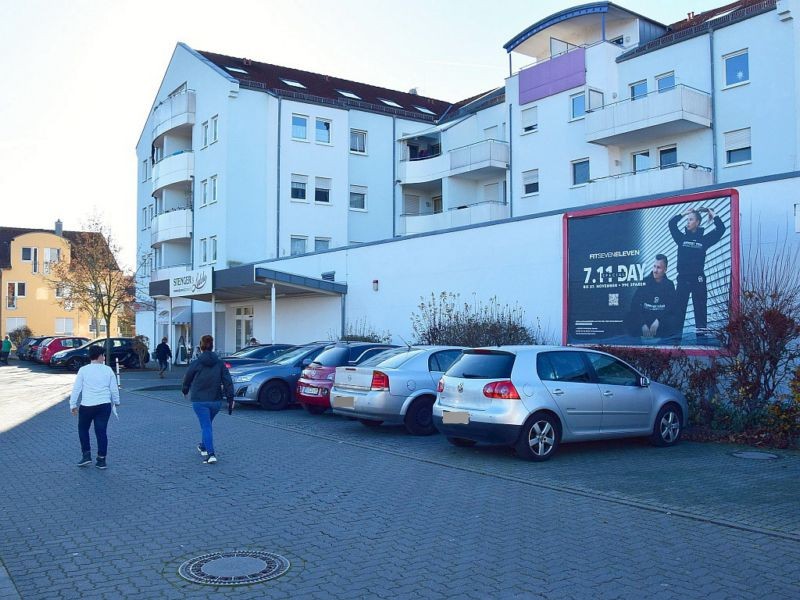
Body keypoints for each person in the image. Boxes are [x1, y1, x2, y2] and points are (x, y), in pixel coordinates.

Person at [668, 207, 726, 342]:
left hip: (698, 279)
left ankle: (701, 339)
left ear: (698, 222)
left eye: (691, 219)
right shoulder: (681, 238)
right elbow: (671, 224)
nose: (688, 222)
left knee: (700, 310)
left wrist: (712, 213)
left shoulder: (704, 240)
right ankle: (676, 341)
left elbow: (721, 229)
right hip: (683, 279)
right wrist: (685, 213)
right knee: (679, 311)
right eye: (687, 220)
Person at [181, 334, 234, 464]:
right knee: (207, 425)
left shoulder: (196, 363)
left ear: (201, 346)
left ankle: (211, 454)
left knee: (206, 426)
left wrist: (185, 390)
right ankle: (203, 446)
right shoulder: (220, 363)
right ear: (212, 346)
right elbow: (228, 381)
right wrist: (230, 399)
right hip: (215, 401)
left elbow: (187, 378)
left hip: (200, 400)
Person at [69, 345, 120, 469]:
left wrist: (73, 404)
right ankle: (101, 460)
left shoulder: (83, 370)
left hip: (87, 405)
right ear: (99, 356)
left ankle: (86, 455)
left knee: (83, 429)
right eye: (103, 355)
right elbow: (114, 388)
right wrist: (116, 401)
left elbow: (77, 388)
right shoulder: (108, 370)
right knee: (101, 432)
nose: (104, 357)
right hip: (104, 405)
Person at [626, 254, 677, 341]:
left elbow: (671, 308)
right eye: (654, 266)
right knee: (629, 317)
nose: (655, 270)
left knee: (673, 319)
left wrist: (658, 321)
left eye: (659, 268)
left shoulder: (669, 285)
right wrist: (643, 324)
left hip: (661, 325)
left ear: (665, 270)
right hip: (644, 323)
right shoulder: (645, 282)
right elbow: (634, 305)